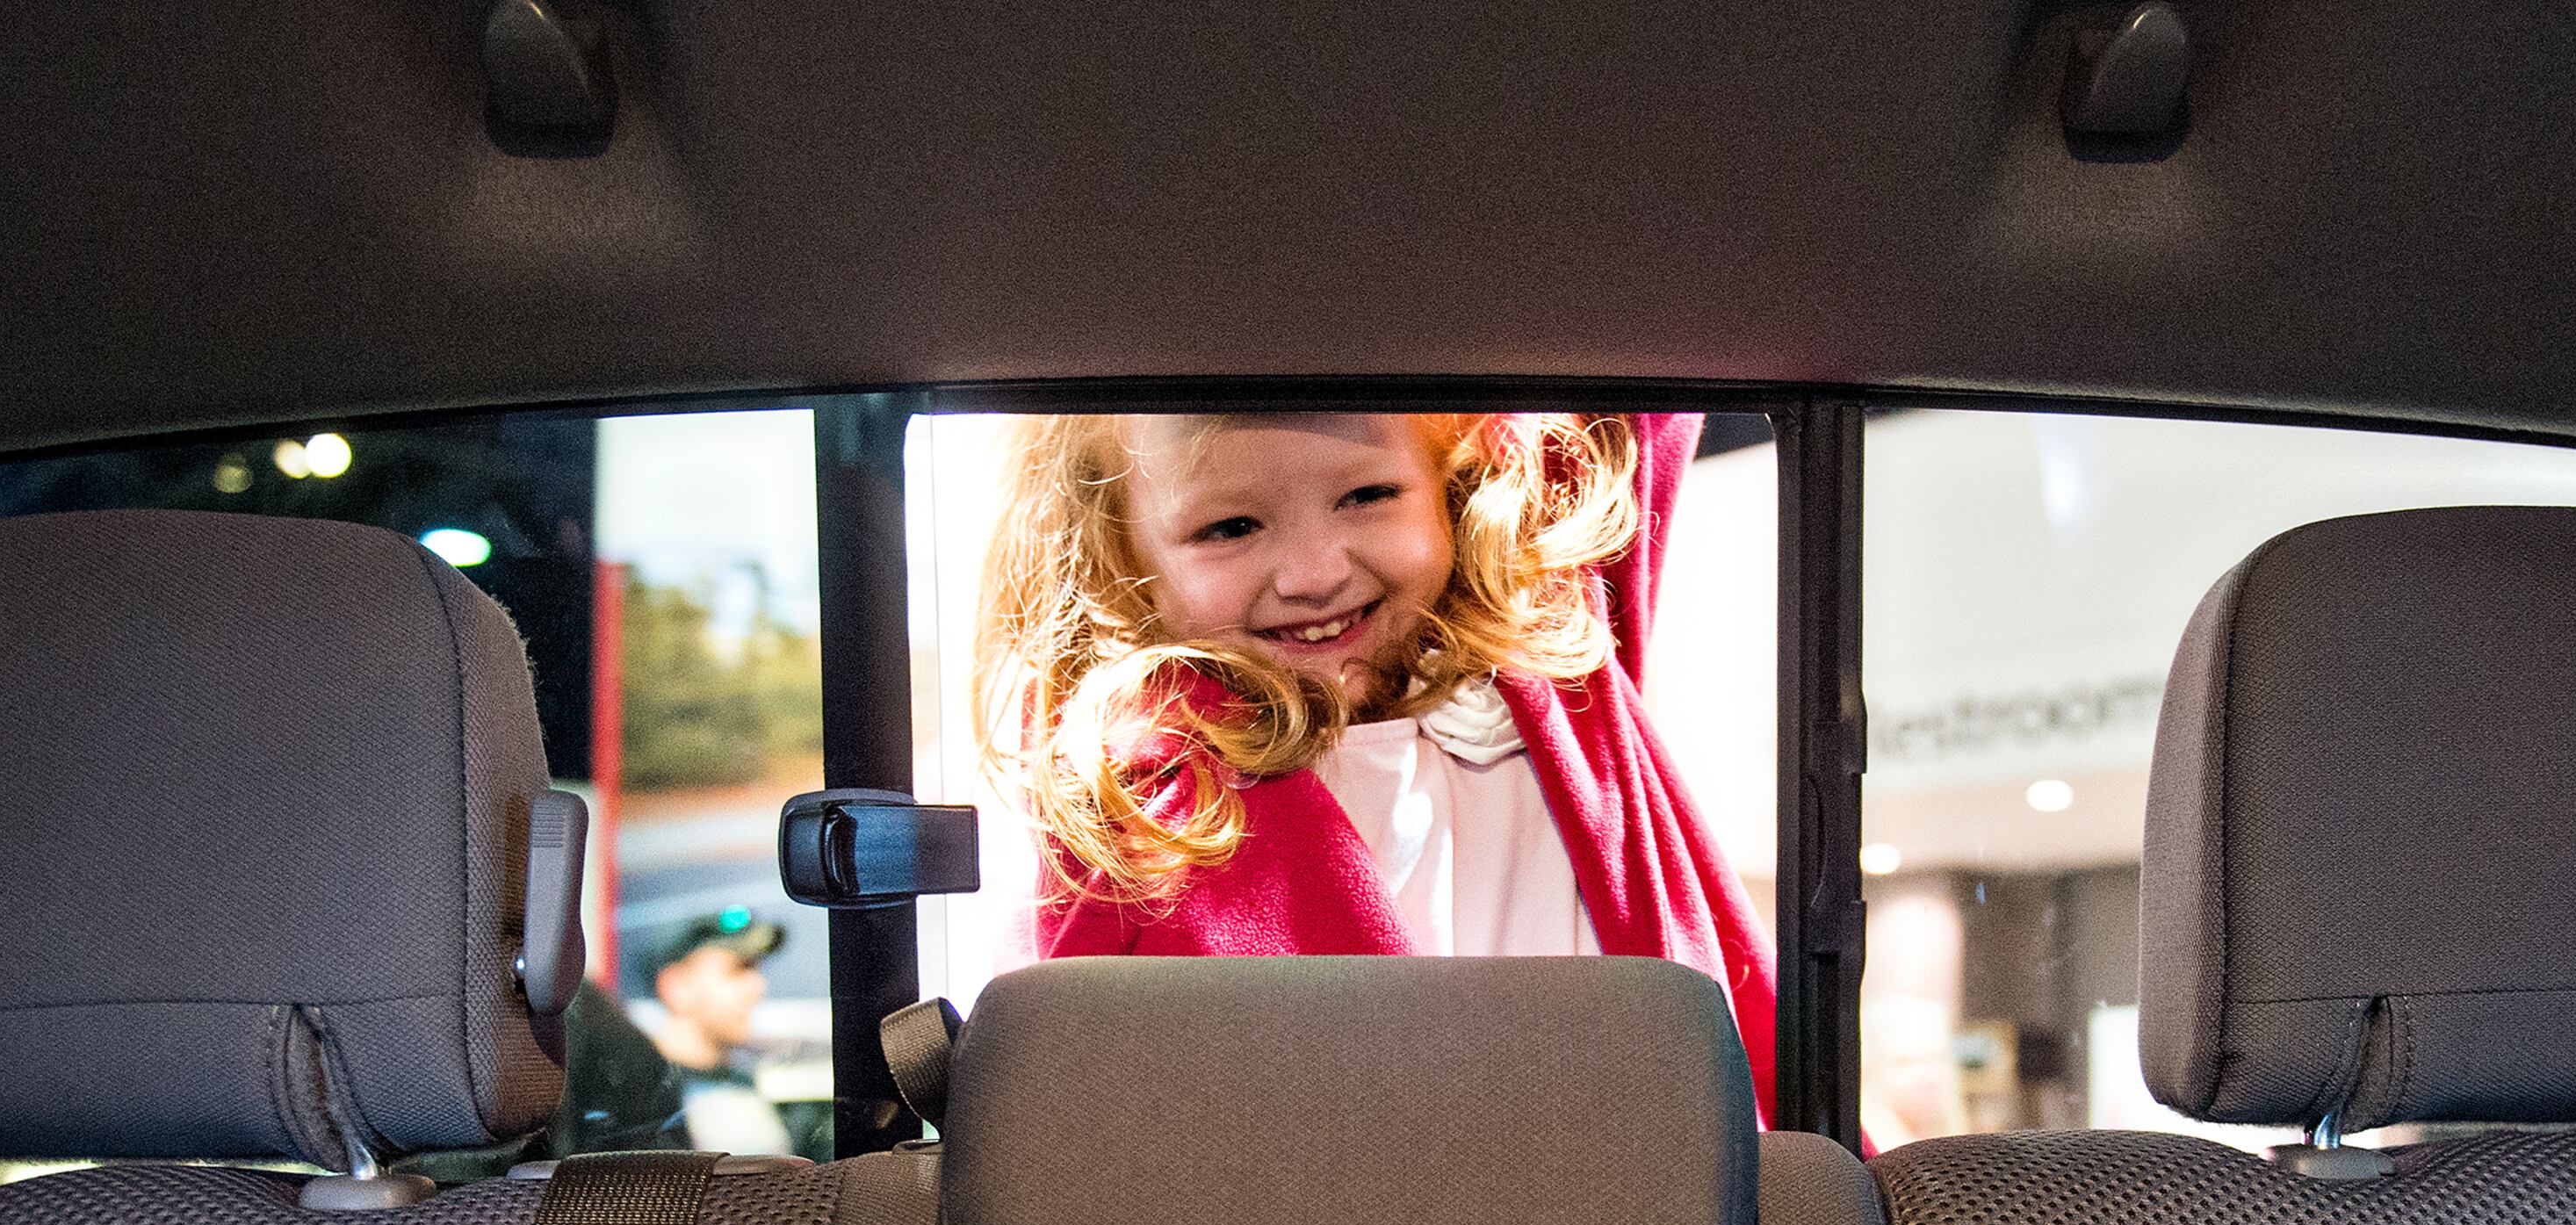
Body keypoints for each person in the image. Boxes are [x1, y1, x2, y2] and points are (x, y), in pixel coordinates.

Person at [977, 411, 1777, 1118]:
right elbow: (1065, 1106)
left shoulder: (1555, 656)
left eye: (1368, 496)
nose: (1315, 574)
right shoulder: (1145, 791)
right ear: (1122, 558)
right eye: (1229, 529)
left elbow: (1629, 384)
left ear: (1452, 480)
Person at [634, 906, 833, 1157]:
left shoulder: (745, 1081)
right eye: (738, 969)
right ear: (677, 986)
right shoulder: (641, 1098)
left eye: (756, 969)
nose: (758, 986)